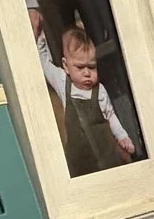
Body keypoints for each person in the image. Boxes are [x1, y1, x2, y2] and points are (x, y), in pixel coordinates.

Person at [55, 24, 138, 175]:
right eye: (80, 67)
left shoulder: (99, 91)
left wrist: (122, 136)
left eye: (92, 67)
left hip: (106, 157)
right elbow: (43, 62)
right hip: (79, 165)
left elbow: (111, 116)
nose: (87, 73)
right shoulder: (62, 84)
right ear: (66, 66)